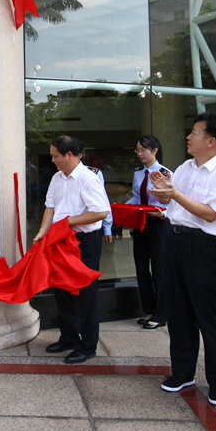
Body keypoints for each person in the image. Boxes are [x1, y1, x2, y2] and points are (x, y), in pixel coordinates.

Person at [149, 111, 216, 406]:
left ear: (211, 141)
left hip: (206, 248)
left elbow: (210, 213)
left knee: (208, 316)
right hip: (176, 241)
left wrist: (174, 194)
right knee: (178, 313)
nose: (189, 137)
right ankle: (182, 372)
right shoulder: (185, 168)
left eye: (195, 132)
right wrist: (164, 193)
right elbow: (173, 201)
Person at [34, 135, 111, 364]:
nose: (53, 160)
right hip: (60, 240)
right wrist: (42, 232)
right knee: (62, 289)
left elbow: (100, 212)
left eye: (55, 156)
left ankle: (88, 346)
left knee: (86, 294)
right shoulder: (57, 178)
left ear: (69, 154)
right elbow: (50, 207)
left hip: (84, 240)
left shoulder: (88, 178)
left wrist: (68, 222)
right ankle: (68, 337)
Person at [125, 135, 171, 330]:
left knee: (160, 270)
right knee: (142, 269)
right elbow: (137, 196)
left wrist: (159, 212)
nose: (140, 153)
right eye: (137, 150)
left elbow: (170, 201)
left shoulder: (165, 173)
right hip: (140, 223)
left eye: (143, 150)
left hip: (159, 224)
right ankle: (149, 310)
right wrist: (121, 209)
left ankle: (162, 314)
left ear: (154, 151)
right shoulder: (138, 173)